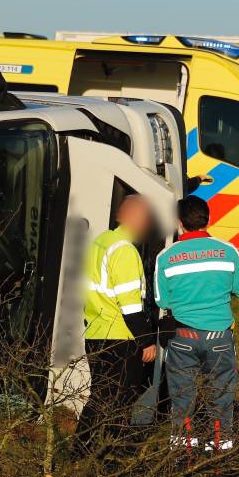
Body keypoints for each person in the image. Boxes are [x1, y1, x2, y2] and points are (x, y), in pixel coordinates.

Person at [154, 196, 239, 453]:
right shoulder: (228, 251)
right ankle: (220, 453)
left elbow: (162, 300)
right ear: (207, 219)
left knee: (182, 398)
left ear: (179, 222)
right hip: (220, 337)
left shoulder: (165, 257)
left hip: (182, 337)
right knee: (221, 396)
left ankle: (183, 457)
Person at [77, 194, 156, 452]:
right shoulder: (124, 251)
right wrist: (146, 341)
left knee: (100, 396)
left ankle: (84, 450)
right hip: (120, 337)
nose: (147, 224)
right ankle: (110, 453)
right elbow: (131, 307)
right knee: (120, 400)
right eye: (146, 218)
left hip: (96, 332)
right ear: (135, 218)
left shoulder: (100, 242)